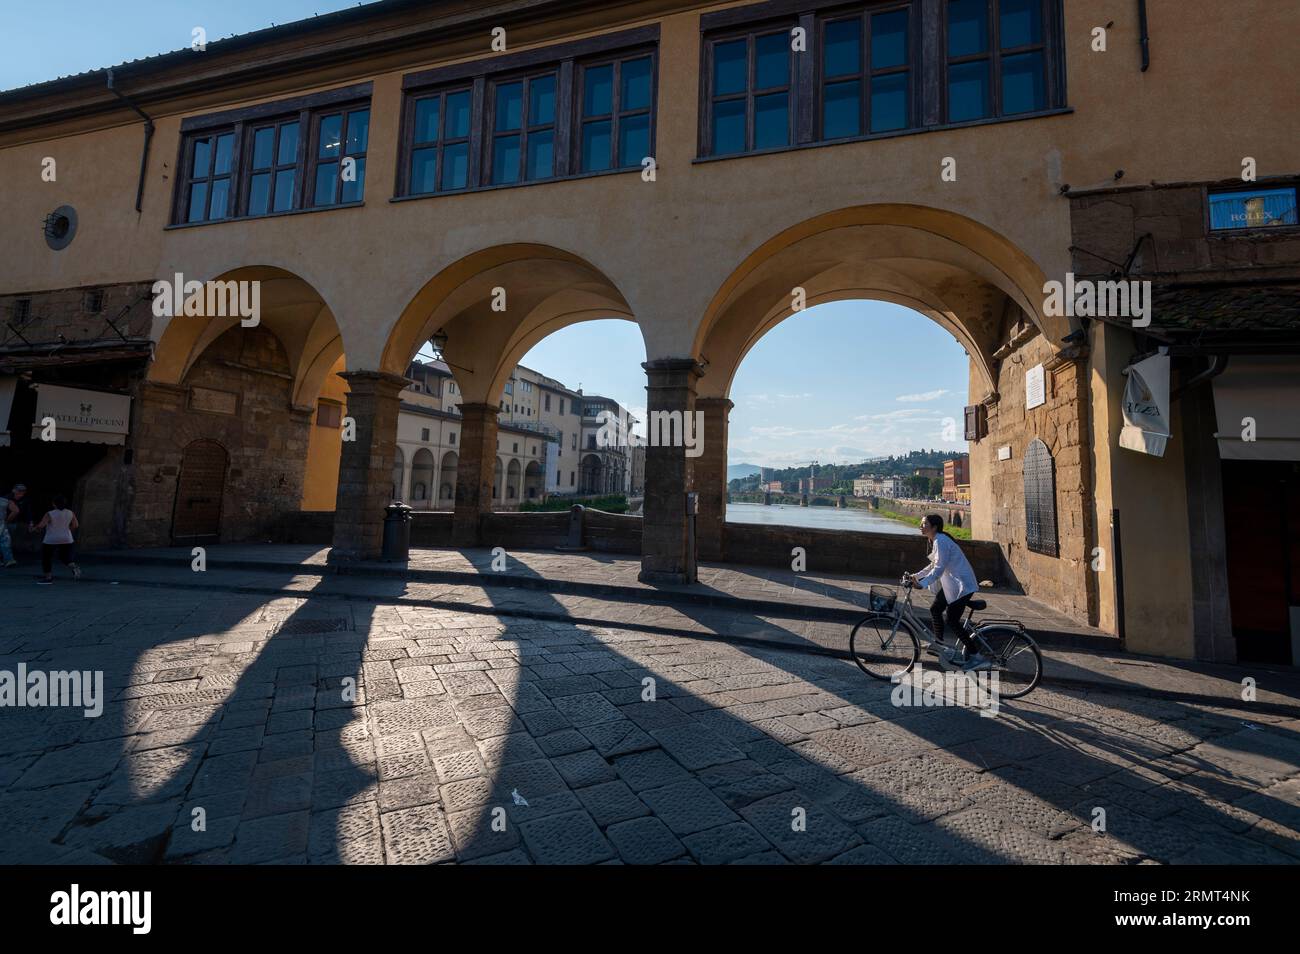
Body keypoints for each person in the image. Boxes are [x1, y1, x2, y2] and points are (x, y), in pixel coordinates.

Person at [906, 513, 988, 670]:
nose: (921, 526)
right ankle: (938, 644)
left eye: (924, 524)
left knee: (952, 620)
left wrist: (922, 584)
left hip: (962, 585)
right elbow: (933, 566)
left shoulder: (941, 541)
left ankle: (976, 656)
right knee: (935, 608)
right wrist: (915, 576)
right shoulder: (937, 540)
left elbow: (939, 568)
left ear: (934, 527)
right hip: (953, 584)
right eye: (921, 524)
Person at [32, 494, 80, 585]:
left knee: (46, 558)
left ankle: (48, 578)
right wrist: (66, 530)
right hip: (67, 538)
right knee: (64, 557)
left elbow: (41, 525)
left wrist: (34, 529)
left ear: (54, 504)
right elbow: (76, 525)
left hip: (51, 539)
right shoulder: (70, 512)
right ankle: (73, 566)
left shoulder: (50, 513)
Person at [0, 491, 17, 567]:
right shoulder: (6, 500)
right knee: (5, 541)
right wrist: (7, 521)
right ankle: (9, 560)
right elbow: (16, 510)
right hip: (2, 523)